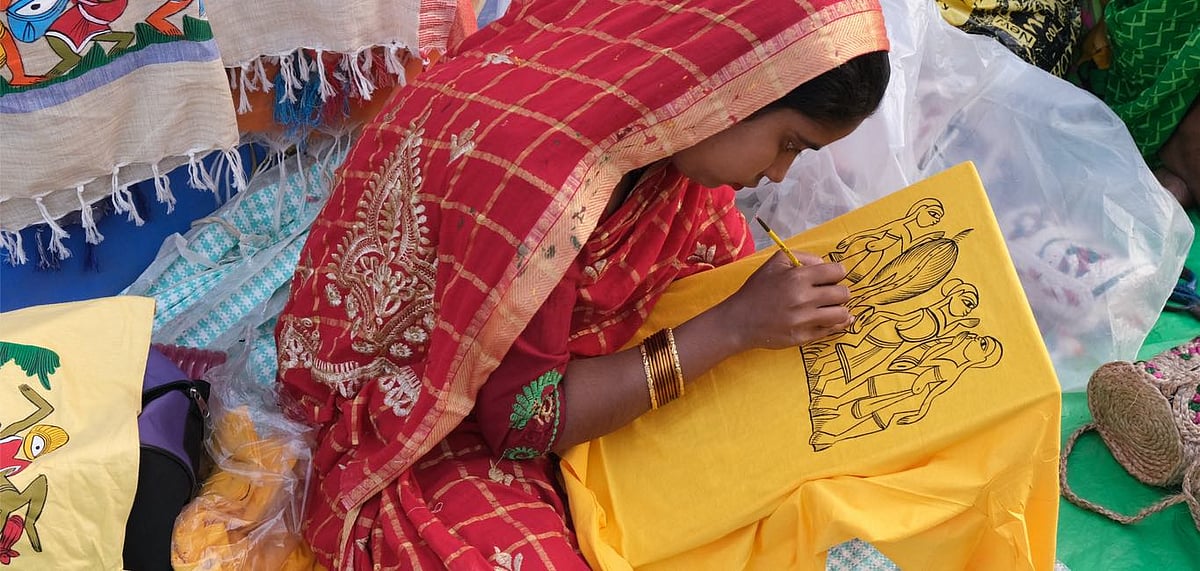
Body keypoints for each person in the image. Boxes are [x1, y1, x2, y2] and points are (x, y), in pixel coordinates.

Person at [274, 0, 890, 568]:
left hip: (536, 379)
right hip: (418, 415)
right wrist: (733, 327)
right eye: (788, 144)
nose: (779, 176)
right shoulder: (547, 187)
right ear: (733, 84)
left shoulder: (662, 140)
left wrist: (760, 318)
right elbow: (521, 425)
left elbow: (715, 281)